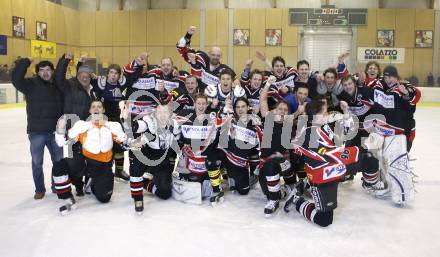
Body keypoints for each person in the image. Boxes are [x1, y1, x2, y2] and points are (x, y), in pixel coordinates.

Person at [283, 99, 383, 227]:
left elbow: (348, 131)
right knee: (324, 220)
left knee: (369, 160)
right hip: (322, 175)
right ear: (316, 115)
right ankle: (297, 201)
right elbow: (332, 155)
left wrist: (346, 112)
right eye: (325, 113)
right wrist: (365, 147)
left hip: (336, 168)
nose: (328, 115)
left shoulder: (324, 127)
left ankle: (370, 185)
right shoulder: (309, 134)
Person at [53, 100, 127, 214]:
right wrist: (60, 132)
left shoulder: (113, 126)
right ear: (90, 110)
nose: (96, 109)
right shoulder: (82, 126)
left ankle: (92, 182)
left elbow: (125, 143)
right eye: (93, 107)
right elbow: (63, 143)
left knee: (104, 198)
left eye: (99, 106)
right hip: (85, 163)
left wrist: (134, 141)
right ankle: (67, 198)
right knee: (59, 166)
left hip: (102, 166)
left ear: (103, 110)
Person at [364, 66, 421, 206]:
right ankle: (387, 184)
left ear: (397, 77)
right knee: (382, 157)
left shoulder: (404, 86)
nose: (389, 79)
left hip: (405, 131)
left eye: (391, 77)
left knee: (398, 161)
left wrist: (406, 94)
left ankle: (403, 189)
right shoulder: (381, 86)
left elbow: (415, 96)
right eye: (386, 76)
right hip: (388, 131)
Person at [11, 57, 63, 199]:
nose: (45, 73)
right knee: (36, 163)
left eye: (48, 70)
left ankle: (57, 185)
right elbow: (16, 79)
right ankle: (39, 189)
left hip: (54, 132)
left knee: (58, 161)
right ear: (37, 72)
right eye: (42, 70)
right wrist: (25, 62)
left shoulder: (57, 86)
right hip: (37, 132)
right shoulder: (31, 85)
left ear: (52, 72)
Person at [77, 55, 131, 181]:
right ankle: (104, 170)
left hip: (116, 118)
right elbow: (81, 77)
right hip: (101, 118)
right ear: (107, 74)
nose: (113, 75)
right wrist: (81, 63)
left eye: (116, 73)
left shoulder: (122, 84)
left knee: (119, 146)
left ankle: (119, 170)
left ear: (119, 75)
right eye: (111, 72)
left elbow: (134, 77)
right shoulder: (100, 83)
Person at [257, 76, 303, 217]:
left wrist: (299, 110)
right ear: (275, 110)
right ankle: (280, 192)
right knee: (267, 189)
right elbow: (263, 100)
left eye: (285, 110)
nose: (283, 111)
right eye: (280, 109)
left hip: (283, 162)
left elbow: (297, 113)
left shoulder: (289, 122)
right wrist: (268, 84)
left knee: (282, 162)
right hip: (267, 162)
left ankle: (282, 192)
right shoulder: (268, 117)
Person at [123, 103, 181, 214]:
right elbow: (137, 126)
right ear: (155, 114)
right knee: (135, 168)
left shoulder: (175, 125)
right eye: (159, 112)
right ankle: (138, 199)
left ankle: (145, 182)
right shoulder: (149, 123)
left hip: (162, 159)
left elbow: (182, 140)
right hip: (146, 156)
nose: (162, 115)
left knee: (164, 194)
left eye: (165, 112)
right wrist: (127, 120)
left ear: (170, 114)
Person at [177, 26, 234, 90]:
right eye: (213, 55)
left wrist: (236, 81)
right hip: (198, 95)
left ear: (221, 56)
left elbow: (234, 79)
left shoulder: (224, 69)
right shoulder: (201, 59)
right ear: (209, 54)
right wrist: (188, 35)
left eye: (218, 55)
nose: (215, 57)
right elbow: (180, 48)